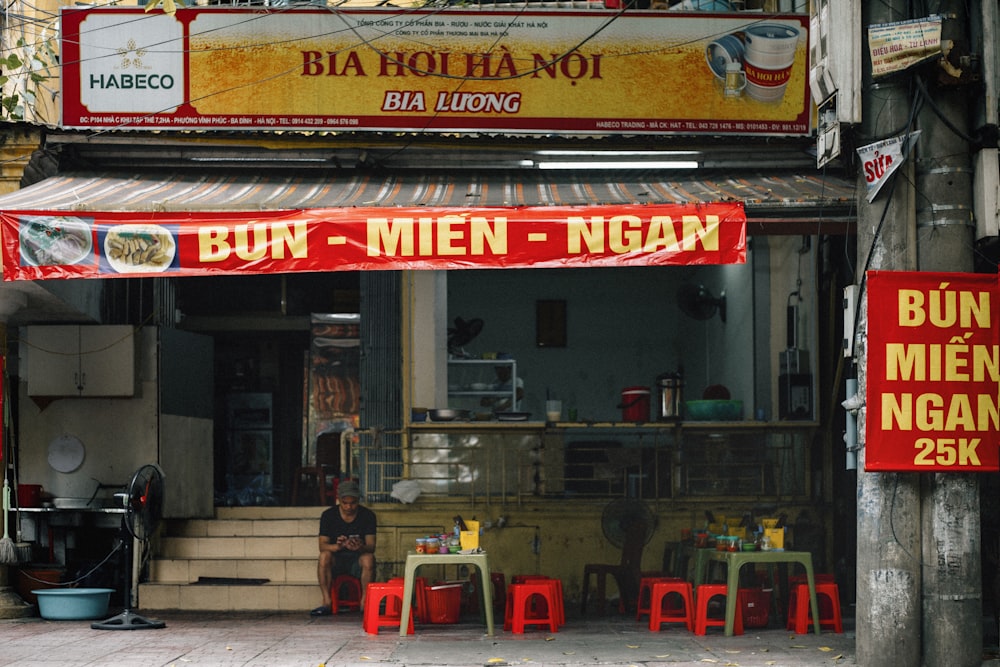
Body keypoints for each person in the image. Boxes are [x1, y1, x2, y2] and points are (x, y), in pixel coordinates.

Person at [311, 479, 376, 615]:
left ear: (358, 501)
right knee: (324, 557)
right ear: (338, 500)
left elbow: (371, 547)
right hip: (337, 560)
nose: (349, 507)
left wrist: (360, 546)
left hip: (357, 560)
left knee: (368, 558)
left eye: (353, 503)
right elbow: (322, 546)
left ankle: (365, 602)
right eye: (345, 503)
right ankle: (326, 601)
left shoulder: (368, 515)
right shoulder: (328, 516)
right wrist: (338, 546)